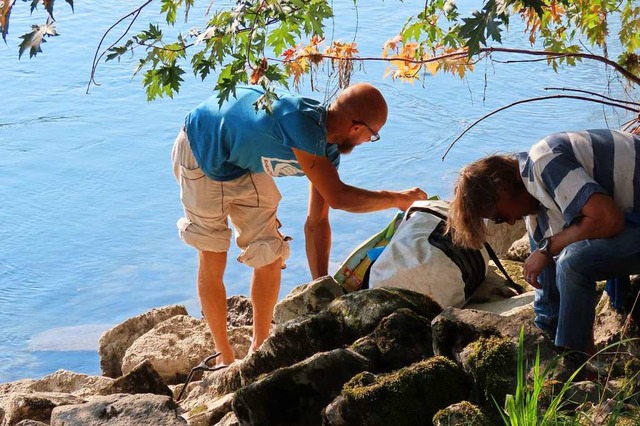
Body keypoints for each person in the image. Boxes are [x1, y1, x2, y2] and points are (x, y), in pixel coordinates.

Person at [171, 83, 428, 365]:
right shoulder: (298, 121)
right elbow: (339, 197)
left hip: (242, 163)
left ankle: (260, 349)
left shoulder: (326, 151)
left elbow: (317, 222)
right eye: (373, 135)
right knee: (213, 253)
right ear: (356, 128)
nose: (369, 141)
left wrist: (322, 288)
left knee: (269, 253)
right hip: (202, 149)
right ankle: (225, 357)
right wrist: (397, 198)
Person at [446, 129, 640, 357]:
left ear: (503, 189)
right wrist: (540, 346)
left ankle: (576, 369)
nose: (509, 223)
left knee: (574, 262)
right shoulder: (537, 209)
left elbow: (608, 220)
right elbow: (547, 297)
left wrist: (548, 248)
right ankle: (570, 364)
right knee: (566, 259)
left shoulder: (544, 161)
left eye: (498, 216)